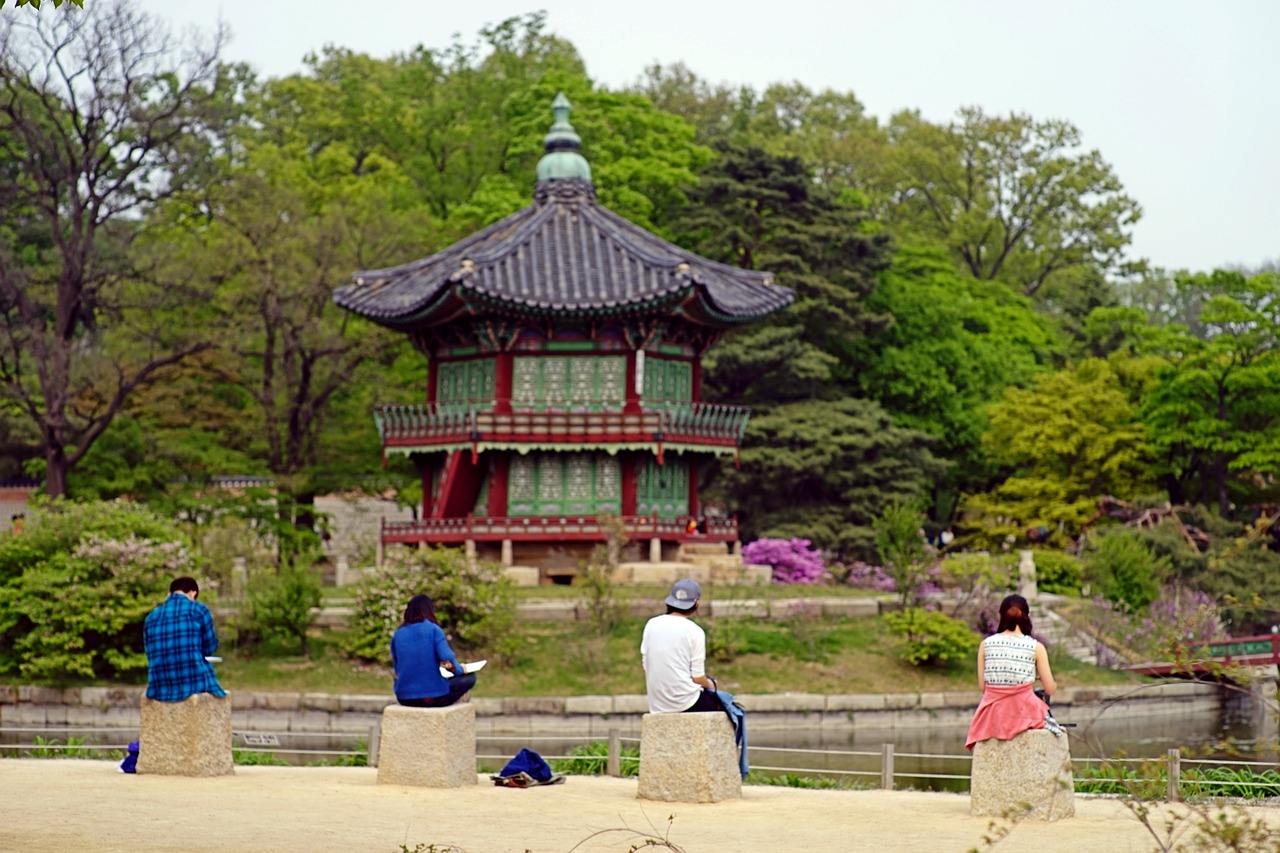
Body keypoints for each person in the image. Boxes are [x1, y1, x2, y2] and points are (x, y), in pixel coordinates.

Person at [965, 593, 1056, 750]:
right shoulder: (1036, 647)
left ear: (1001, 616)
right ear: (1028, 616)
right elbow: (1050, 689)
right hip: (1025, 713)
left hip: (992, 715)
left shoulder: (986, 644)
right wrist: (1038, 678)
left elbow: (983, 688)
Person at [640, 578, 721, 713]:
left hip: (657, 704)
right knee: (729, 707)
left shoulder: (651, 624)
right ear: (697, 604)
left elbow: (646, 665)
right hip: (686, 703)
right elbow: (698, 678)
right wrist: (711, 684)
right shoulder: (695, 631)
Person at [143, 576, 226, 702]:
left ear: (170, 593)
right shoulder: (198, 609)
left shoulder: (151, 616)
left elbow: (149, 650)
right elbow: (209, 647)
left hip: (159, 684)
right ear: (193, 593)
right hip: (192, 681)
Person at [391, 594, 475, 708]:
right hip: (432, 697)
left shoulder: (398, 634)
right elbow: (446, 660)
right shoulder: (433, 629)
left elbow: (397, 669)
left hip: (405, 698)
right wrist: (460, 670)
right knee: (470, 678)